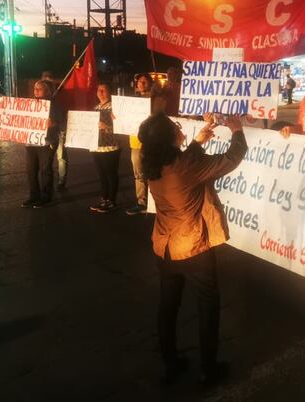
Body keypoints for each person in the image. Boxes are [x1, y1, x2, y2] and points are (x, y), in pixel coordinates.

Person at [139, 112, 247, 385]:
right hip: (193, 247)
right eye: (174, 126)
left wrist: (198, 141)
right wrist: (236, 131)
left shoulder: (151, 162)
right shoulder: (187, 164)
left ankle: (170, 364)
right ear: (168, 138)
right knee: (208, 308)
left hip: (164, 247)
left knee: (168, 306)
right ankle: (208, 370)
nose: (179, 126)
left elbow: (184, 160)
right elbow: (231, 159)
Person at [22, 79, 64, 209]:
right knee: (31, 170)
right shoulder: (29, 104)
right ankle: (34, 196)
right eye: (35, 88)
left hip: (47, 142)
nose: (36, 91)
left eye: (39, 89)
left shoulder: (54, 105)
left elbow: (63, 122)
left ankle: (46, 197)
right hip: (31, 142)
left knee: (45, 170)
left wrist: (54, 124)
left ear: (47, 91)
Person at [89, 84, 121, 213]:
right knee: (101, 174)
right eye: (98, 90)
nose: (100, 92)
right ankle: (104, 199)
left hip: (110, 146)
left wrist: (107, 127)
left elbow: (122, 126)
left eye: (104, 90)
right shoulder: (95, 108)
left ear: (109, 92)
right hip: (96, 146)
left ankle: (112, 201)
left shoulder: (115, 107)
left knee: (111, 173)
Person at [126, 74, 154, 215]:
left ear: (150, 84)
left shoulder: (155, 101)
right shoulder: (131, 101)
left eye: (144, 82)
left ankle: (156, 203)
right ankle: (142, 203)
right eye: (139, 82)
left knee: (154, 172)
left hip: (151, 143)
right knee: (139, 174)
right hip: (135, 143)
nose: (141, 84)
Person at [41, 70, 68, 191]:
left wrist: (56, 123)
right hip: (46, 134)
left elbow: (65, 114)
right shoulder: (39, 98)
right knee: (46, 160)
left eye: (49, 80)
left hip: (59, 131)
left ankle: (61, 180)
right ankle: (47, 182)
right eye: (45, 81)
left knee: (61, 157)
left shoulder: (61, 93)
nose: (47, 82)